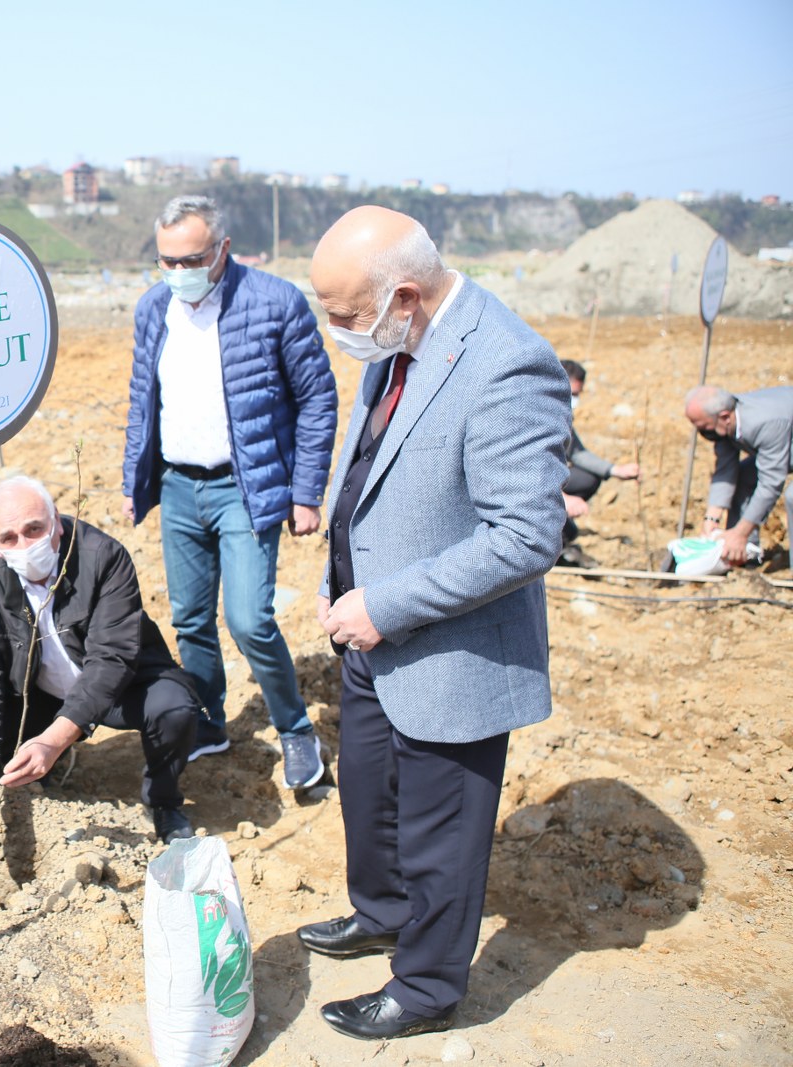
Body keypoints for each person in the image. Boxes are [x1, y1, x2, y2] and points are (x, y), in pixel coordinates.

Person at [302, 207, 568, 1040]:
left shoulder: (507, 363)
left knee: (440, 829)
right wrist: (338, 580)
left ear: (405, 297)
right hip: (367, 634)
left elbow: (524, 536)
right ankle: (383, 912)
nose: (337, 331)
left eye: (344, 315)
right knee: (370, 796)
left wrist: (385, 605)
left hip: (449, 650)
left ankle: (425, 986)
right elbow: (369, 471)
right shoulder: (395, 344)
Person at [121, 194, 338, 788]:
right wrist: (134, 479)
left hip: (245, 487)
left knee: (248, 619)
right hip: (178, 484)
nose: (178, 272)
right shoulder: (153, 309)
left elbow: (317, 398)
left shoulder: (275, 303)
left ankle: (295, 729)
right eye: (167, 261)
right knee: (191, 621)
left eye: (191, 260)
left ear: (222, 249)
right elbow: (143, 400)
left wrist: (306, 492)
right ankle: (209, 722)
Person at [0, 476, 200, 843]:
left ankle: (163, 801)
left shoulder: (102, 557)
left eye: (34, 529)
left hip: (119, 689)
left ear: (57, 522)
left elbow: (112, 659)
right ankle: (17, 779)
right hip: (39, 692)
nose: (25, 545)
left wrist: (53, 741)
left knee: (173, 708)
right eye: (9, 538)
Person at [684, 384, 793, 566]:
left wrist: (740, 532)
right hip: (785, 449)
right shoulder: (725, 423)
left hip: (781, 439)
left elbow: (771, 483)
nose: (701, 433)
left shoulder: (764, 422)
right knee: (742, 477)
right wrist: (712, 518)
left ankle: (740, 539)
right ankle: (742, 554)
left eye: (703, 427)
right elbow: (726, 470)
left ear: (725, 417)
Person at [557, 359, 641, 567]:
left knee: (588, 479)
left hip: (547, 482)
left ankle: (559, 531)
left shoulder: (561, 415)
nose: (575, 400)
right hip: (524, 487)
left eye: (578, 395)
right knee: (568, 530)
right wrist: (561, 498)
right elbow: (528, 468)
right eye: (572, 394)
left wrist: (615, 470)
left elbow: (577, 453)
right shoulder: (535, 414)